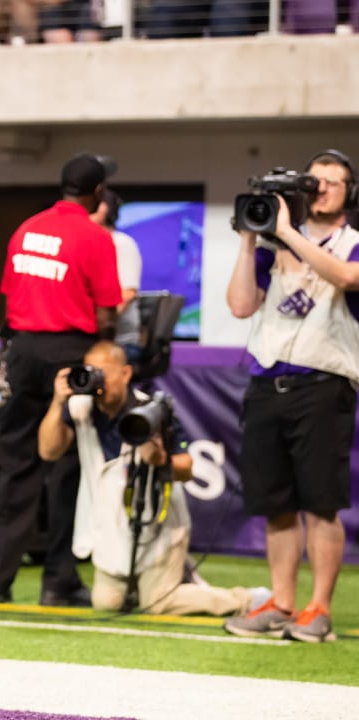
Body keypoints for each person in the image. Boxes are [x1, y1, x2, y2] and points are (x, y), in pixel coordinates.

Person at [222, 149, 359, 644]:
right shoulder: (272, 245)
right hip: (266, 383)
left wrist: (288, 234)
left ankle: (318, 608)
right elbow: (240, 306)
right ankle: (281, 602)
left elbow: (346, 278)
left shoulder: (352, 245)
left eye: (333, 183)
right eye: (314, 181)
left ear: (350, 193)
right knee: (275, 503)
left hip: (323, 385)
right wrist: (246, 242)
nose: (320, 188)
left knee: (321, 504)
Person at [0, 152, 121, 606]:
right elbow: (109, 311)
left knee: (17, 466)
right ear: (97, 193)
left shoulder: (27, 229)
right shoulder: (96, 237)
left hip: (22, 350)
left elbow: (8, 294)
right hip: (70, 355)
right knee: (66, 470)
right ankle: (58, 581)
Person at [40, 341, 266, 615]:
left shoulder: (152, 411)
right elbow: (48, 451)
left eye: (104, 371)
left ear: (125, 373)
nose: (97, 379)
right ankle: (150, 583)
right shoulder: (81, 408)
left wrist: (161, 461)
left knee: (157, 603)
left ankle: (247, 600)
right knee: (106, 603)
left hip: (159, 524)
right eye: (91, 371)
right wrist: (57, 401)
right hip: (113, 530)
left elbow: (188, 468)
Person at [90, 189, 143, 364]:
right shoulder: (88, 242)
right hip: (93, 339)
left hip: (119, 343)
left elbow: (127, 294)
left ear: (103, 209)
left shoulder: (121, 243)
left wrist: (91, 324)